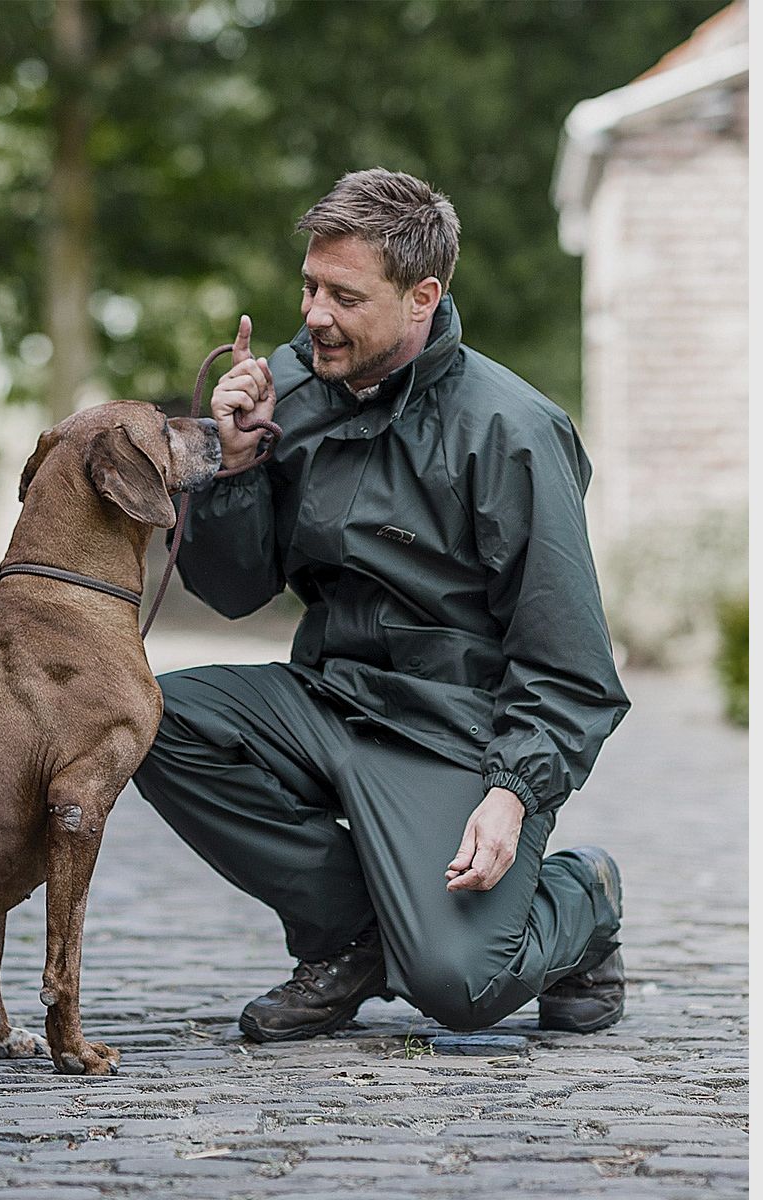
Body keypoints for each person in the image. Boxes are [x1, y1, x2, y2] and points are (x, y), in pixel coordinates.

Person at [132, 168, 631, 1041]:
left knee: (459, 988)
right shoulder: (285, 389)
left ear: (421, 299)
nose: (314, 314)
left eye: (344, 296)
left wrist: (514, 791)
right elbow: (234, 589)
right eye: (309, 287)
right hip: (327, 698)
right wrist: (232, 466)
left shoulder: (512, 430)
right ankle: (352, 936)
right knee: (139, 713)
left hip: (457, 733)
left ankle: (581, 896)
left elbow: (573, 667)